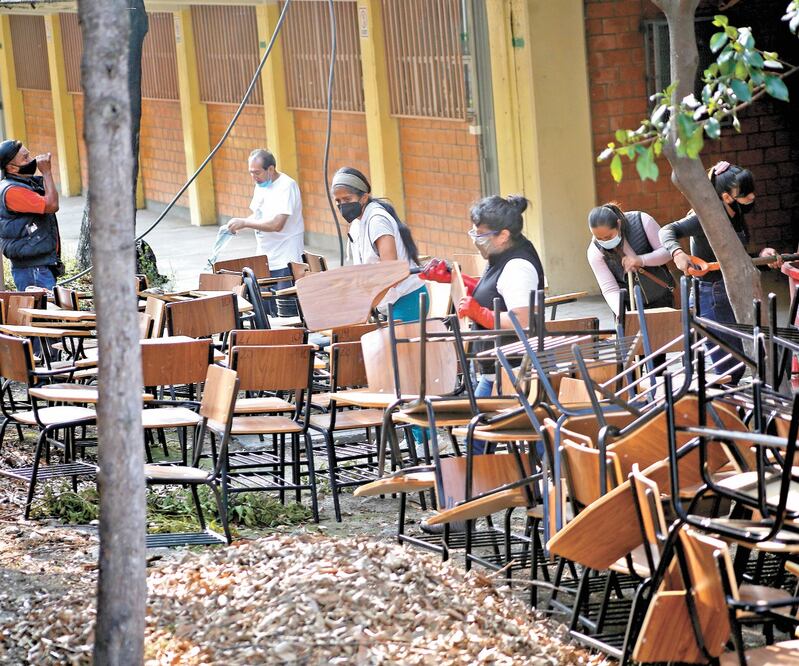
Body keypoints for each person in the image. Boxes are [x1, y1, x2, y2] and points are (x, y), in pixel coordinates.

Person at [422, 195, 544, 453]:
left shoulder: (518, 265)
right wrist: (456, 279)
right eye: (474, 233)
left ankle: (549, 486)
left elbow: (523, 320)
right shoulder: (503, 255)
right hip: (496, 369)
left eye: (481, 235)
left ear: (502, 235)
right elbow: (494, 293)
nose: (476, 240)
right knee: (476, 437)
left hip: (513, 373)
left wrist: (481, 314)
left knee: (483, 437)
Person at [659, 161, 779, 384]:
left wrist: (764, 255)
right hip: (712, 295)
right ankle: (721, 411)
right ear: (725, 197)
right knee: (728, 366)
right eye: (745, 193)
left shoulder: (737, 213)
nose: (751, 197)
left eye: (752, 191)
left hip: (735, 290)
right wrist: (677, 254)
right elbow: (668, 230)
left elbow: (737, 256)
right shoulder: (705, 217)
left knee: (746, 357)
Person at [331, 167, 426, 321]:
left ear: (363, 197)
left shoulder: (377, 221)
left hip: (406, 300)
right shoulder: (357, 223)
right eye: (338, 201)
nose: (342, 205)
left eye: (347, 200)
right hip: (387, 302)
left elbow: (391, 270)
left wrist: (369, 305)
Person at [227, 149, 304, 316]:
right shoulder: (261, 185)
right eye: (251, 173)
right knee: (266, 311)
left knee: (285, 311)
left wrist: (245, 223)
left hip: (285, 257)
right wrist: (239, 224)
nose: (254, 177)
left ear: (271, 169)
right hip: (265, 256)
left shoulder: (286, 186)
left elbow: (278, 224)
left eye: (257, 173)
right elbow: (258, 215)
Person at [586, 203, 674, 317]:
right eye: (599, 238)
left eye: (608, 237)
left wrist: (641, 260)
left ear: (618, 224)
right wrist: (623, 315)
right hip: (627, 307)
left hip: (661, 299)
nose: (604, 241)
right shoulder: (594, 251)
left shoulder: (641, 220)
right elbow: (609, 288)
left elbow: (667, 252)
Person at [0, 140, 62, 291]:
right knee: (42, 313)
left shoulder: (27, 183)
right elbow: (52, 205)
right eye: (25, 158)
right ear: (12, 168)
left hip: (40, 264)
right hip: (33, 269)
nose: (32, 160)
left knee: (47, 311)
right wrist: (46, 172)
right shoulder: (12, 190)